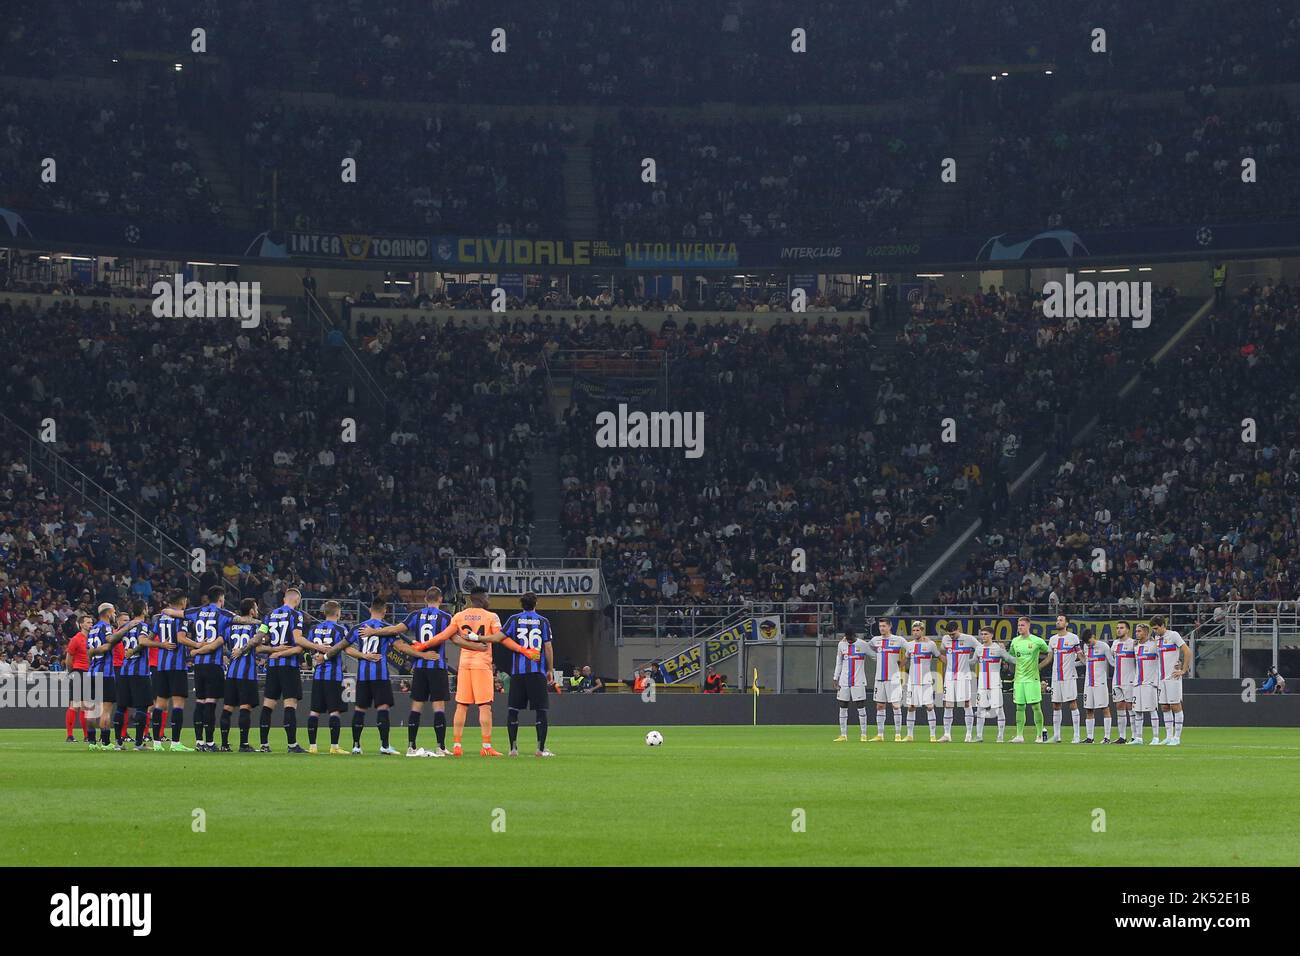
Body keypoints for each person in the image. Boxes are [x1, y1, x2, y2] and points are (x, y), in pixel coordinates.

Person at [409, 585, 540, 757]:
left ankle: (456, 745)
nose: (489, 600)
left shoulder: (459, 616)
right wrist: (524, 650)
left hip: (464, 665)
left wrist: (423, 645)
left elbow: (443, 635)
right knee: (485, 706)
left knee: (462, 706)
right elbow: (502, 639)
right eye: (487, 597)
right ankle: (486, 746)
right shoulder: (491, 616)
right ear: (480, 598)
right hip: (482, 665)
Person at [357, 586, 452, 756]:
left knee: (416, 706)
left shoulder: (415, 615)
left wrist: (374, 631)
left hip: (420, 667)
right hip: (436, 665)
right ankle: (441, 747)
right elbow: (455, 638)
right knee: (438, 707)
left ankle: (411, 746)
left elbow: (395, 629)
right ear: (441, 599)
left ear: (425, 600)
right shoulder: (446, 617)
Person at [347, 597, 423, 755]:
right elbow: (399, 646)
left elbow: (346, 648)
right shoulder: (387, 628)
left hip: (362, 675)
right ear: (385, 610)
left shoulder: (358, 627)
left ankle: (356, 746)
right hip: (380, 675)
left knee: (359, 708)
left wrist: (362, 655)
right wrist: (419, 651)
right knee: (383, 708)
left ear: (370, 609)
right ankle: (385, 745)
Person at [501, 591, 556, 757]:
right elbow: (548, 647)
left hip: (518, 672)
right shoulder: (543, 621)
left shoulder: (514, 619)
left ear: (521, 604)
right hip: (536, 672)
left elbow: (502, 637)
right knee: (541, 710)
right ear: (536, 603)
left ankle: (513, 749)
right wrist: (550, 669)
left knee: (513, 710)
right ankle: (540, 749)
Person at [257, 588, 311, 753]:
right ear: (297, 601)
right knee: (290, 704)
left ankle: (264, 745)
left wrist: (273, 651)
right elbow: (297, 645)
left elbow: (258, 645)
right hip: (289, 666)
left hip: (273, 667)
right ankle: (292, 745)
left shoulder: (269, 616)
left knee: (268, 705)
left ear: (283, 600)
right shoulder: (296, 615)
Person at [305, 601, 352, 754]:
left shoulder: (314, 629)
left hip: (318, 675)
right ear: (338, 613)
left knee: (314, 711)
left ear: (324, 612)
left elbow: (310, 650)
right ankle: (334, 747)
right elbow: (347, 648)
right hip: (333, 676)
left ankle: (312, 746)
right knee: (334, 711)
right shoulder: (340, 629)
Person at [220, 599, 265, 752]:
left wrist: (229, 653)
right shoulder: (258, 625)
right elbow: (258, 644)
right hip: (247, 673)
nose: (257, 610)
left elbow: (222, 644)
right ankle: (243, 744)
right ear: (252, 611)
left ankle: (224, 744)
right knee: (245, 708)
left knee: (227, 708)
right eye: (256, 607)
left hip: (231, 673)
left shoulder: (230, 626)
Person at [863, 618, 908, 741]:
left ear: (890, 626)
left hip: (893, 679)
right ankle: (880, 735)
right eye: (880, 626)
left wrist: (903, 662)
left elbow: (911, 649)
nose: (881, 628)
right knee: (880, 706)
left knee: (896, 706)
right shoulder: (875, 640)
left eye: (884, 626)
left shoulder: (898, 640)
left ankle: (898, 734)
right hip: (879, 679)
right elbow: (867, 648)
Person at [1008, 616, 1051, 743]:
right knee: (1019, 707)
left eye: (1022, 625)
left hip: (1032, 679)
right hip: (1019, 679)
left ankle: (1039, 735)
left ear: (1028, 626)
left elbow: (1049, 653)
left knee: (1036, 707)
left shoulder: (1037, 641)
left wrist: (1040, 666)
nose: (1020, 627)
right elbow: (1011, 657)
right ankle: (1019, 735)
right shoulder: (1015, 641)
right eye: (1019, 625)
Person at [901, 622, 943, 742]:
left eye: (918, 630)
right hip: (912, 681)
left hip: (926, 681)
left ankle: (932, 735)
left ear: (922, 630)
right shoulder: (909, 645)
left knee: (929, 707)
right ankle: (909, 735)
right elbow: (906, 659)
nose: (915, 633)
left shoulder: (930, 644)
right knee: (911, 707)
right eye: (913, 630)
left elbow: (939, 656)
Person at [1151, 615, 1189, 746]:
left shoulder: (1173, 635)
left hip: (1173, 677)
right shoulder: (1157, 638)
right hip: (1161, 678)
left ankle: (1177, 738)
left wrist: (1183, 669)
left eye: (1156, 628)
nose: (1155, 631)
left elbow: (1187, 651)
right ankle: (1168, 736)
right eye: (1153, 629)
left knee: (1175, 706)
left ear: (1162, 625)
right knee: (1165, 707)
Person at [939, 621, 980, 742]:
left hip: (964, 676)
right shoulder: (945, 639)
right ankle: (947, 734)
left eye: (953, 634)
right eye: (949, 634)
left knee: (966, 703)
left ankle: (968, 734)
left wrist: (973, 660)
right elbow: (942, 651)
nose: (951, 636)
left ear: (958, 629)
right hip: (949, 676)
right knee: (948, 704)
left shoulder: (969, 639)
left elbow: (980, 649)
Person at [1047, 614, 1083, 743]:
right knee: (1056, 705)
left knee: (1072, 703)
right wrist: (1037, 667)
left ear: (1067, 623)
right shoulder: (1052, 639)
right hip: (1056, 677)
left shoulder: (1073, 638)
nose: (1058, 622)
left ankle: (1076, 735)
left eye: (1061, 620)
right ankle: (1057, 735)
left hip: (1069, 676)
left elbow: (1080, 655)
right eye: (1057, 620)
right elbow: (1049, 658)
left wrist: (1088, 663)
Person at [973, 628, 1014, 742]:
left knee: (999, 710)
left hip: (995, 684)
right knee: (980, 709)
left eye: (986, 634)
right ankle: (979, 736)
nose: (983, 636)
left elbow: (1010, 659)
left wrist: (1006, 651)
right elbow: (973, 661)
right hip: (982, 684)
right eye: (982, 634)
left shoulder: (997, 648)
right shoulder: (979, 649)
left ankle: (1000, 736)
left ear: (991, 635)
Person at [831, 629, 871, 741]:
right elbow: (839, 662)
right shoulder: (841, 644)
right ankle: (843, 735)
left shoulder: (863, 644)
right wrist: (835, 678)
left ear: (855, 635)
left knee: (860, 706)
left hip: (858, 681)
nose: (848, 641)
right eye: (847, 638)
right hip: (844, 681)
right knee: (843, 705)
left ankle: (863, 734)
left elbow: (874, 655)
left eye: (850, 639)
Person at [63, 613, 93, 744]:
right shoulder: (76, 639)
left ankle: (87, 736)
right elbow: (68, 658)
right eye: (87, 622)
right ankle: (70, 735)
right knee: (74, 705)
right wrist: (73, 671)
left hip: (89, 672)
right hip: (78, 671)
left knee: (85, 706)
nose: (90, 625)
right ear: (81, 624)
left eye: (91, 623)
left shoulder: (92, 639)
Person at [1081, 629, 1115, 743]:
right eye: (1086, 642)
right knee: (1088, 709)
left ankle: (1107, 737)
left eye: (1089, 641)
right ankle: (1090, 737)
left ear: (1093, 636)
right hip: (1088, 682)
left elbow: (1112, 662)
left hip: (1100, 682)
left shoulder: (1104, 646)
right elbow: (1086, 662)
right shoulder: (1086, 647)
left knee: (1105, 708)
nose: (1088, 644)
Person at [1129, 623, 1160, 745]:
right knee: (1137, 711)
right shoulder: (1135, 646)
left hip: (1150, 683)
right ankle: (1138, 738)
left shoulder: (1154, 645)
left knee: (1152, 710)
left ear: (1146, 633)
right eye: (1136, 631)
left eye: (1139, 631)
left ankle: (1156, 737)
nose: (1136, 633)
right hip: (1137, 682)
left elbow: (1162, 658)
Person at [1111, 621, 1138, 743]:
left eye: (1121, 628)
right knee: (1119, 706)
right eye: (1117, 628)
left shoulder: (1133, 643)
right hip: (1116, 680)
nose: (1119, 630)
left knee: (1130, 707)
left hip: (1130, 680)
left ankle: (1134, 736)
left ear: (1127, 630)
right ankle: (1122, 736)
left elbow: (1139, 661)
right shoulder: (1115, 644)